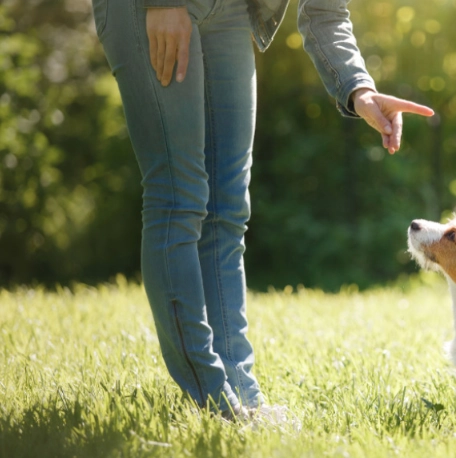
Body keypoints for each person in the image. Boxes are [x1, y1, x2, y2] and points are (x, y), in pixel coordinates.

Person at [91, 0, 434, 422]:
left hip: (230, 11)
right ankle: (212, 399)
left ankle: (241, 396)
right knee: (177, 197)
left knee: (227, 210)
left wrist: (359, 88)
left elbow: (325, 10)